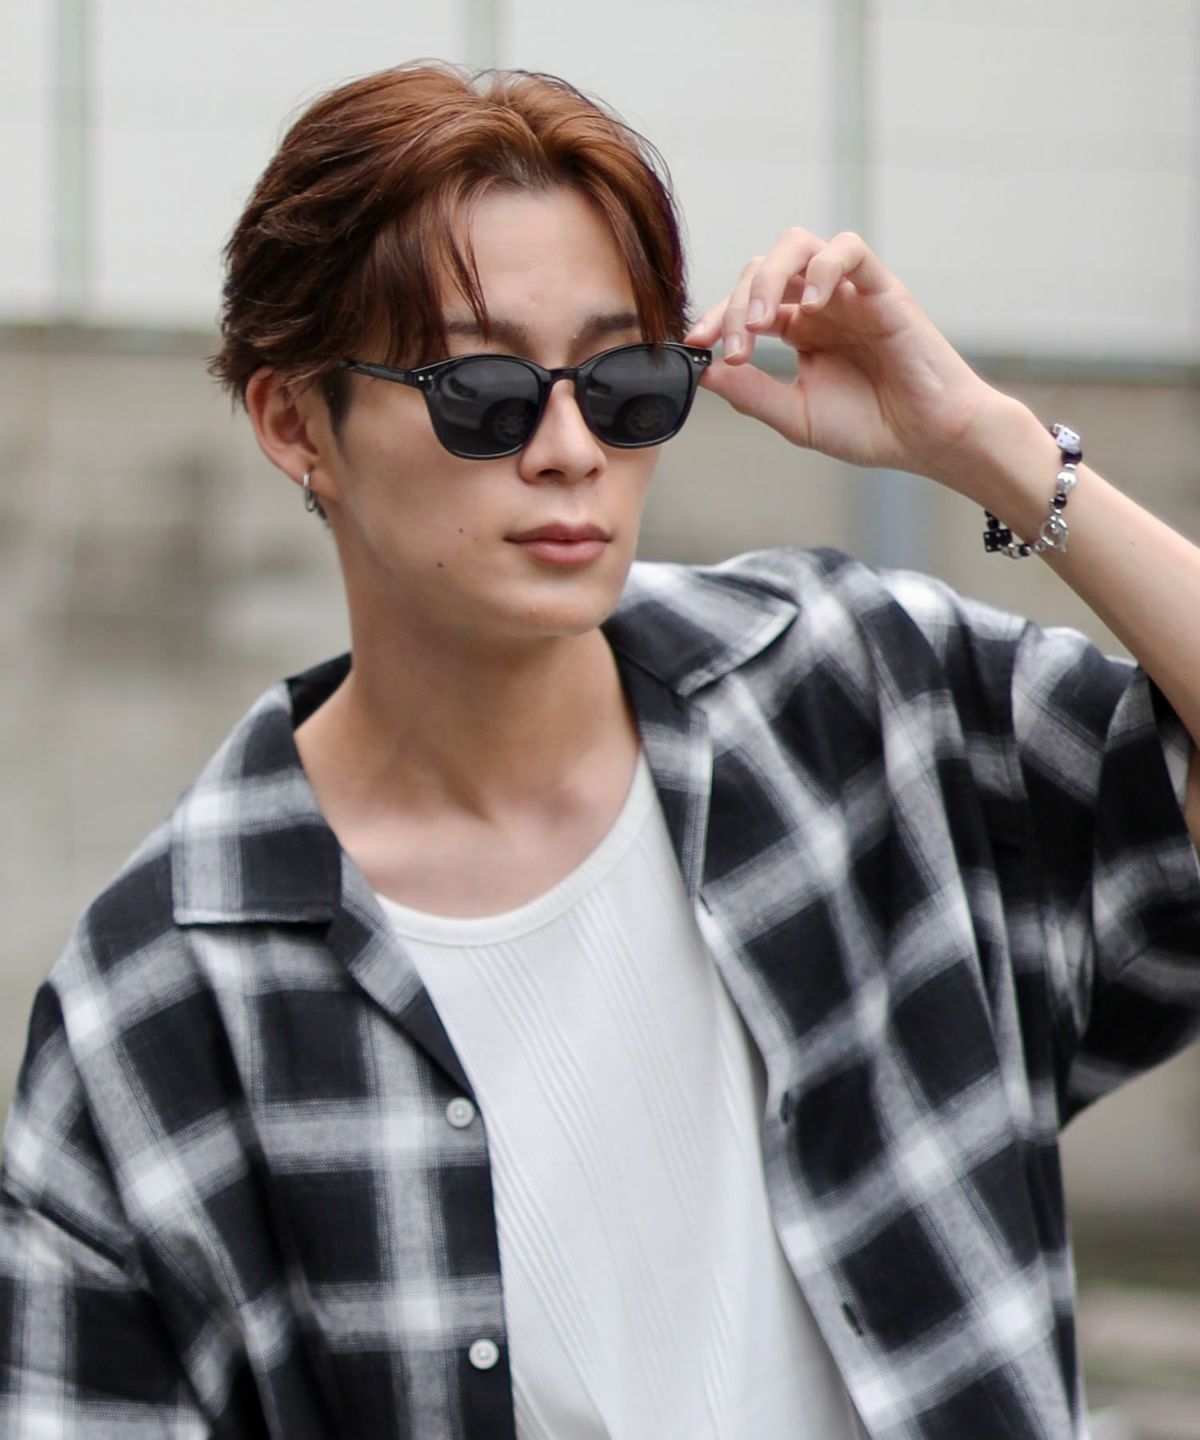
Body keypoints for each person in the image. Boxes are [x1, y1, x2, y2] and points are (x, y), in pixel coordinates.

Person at [1, 60, 1197, 1440]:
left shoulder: (848, 704)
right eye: (482, 389)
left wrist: (989, 447)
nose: (571, 449)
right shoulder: (163, 1003)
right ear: (294, 423)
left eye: (624, 380)